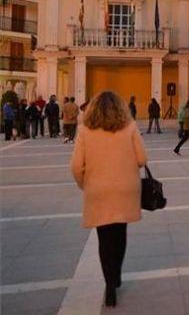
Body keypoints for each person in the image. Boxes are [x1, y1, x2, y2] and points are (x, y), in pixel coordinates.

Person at [70, 91, 147, 307]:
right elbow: (142, 158)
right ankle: (117, 275)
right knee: (120, 234)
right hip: (124, 189)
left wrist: (84, 184)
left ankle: (110, 285)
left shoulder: (85, 130)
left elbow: (76, 166)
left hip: (98, 191)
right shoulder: (130, 127)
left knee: (104, 238)